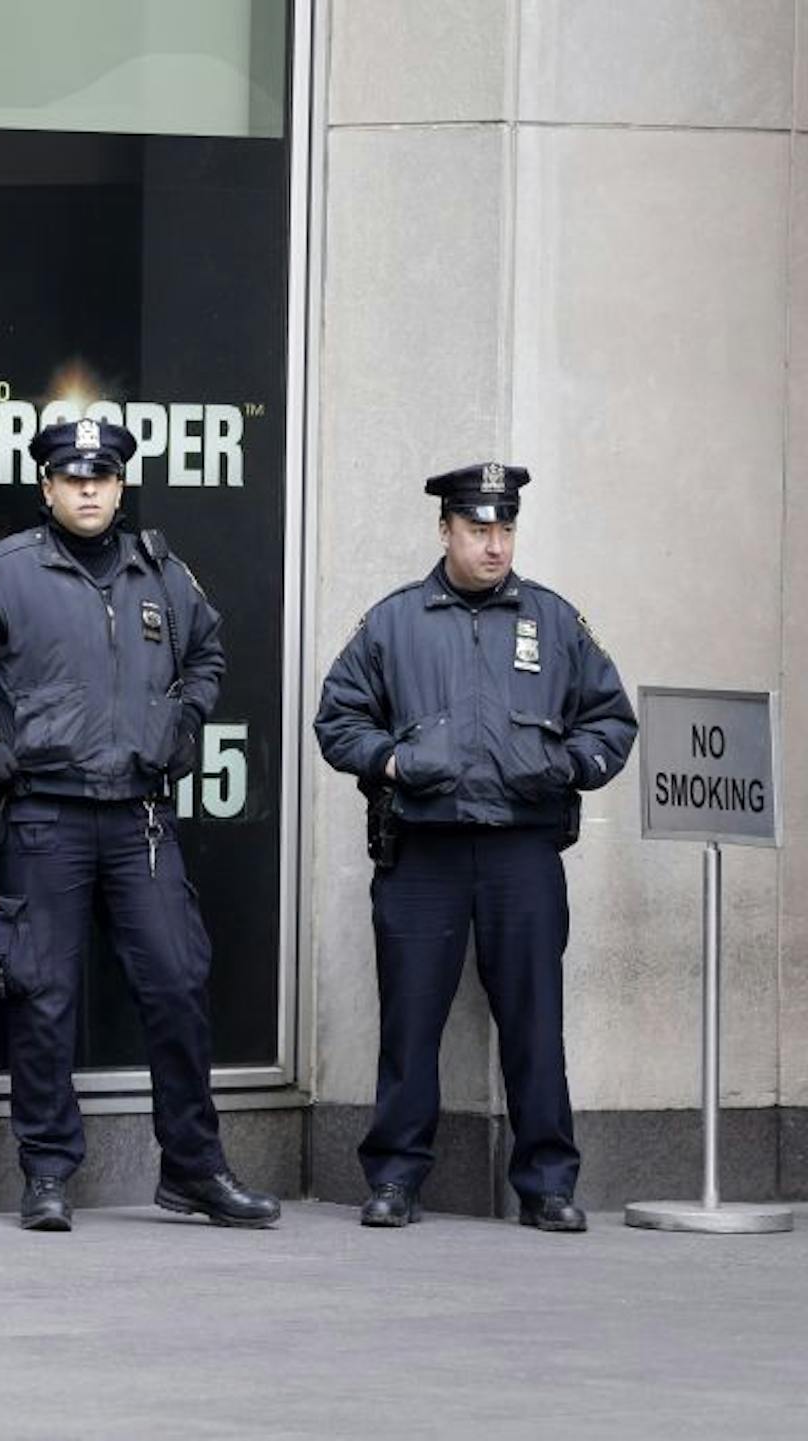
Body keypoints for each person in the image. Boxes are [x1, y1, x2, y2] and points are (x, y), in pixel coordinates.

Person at [0, 417, 280, 1232]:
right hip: (45, 816)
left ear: (119, 484)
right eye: (73, 479)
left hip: (140, 818)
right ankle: (47, 1173)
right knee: (43, 997)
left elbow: (208, 652)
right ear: (47, 487)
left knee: (177, 983)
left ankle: (194, 1167)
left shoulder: (161, 572)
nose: (89, 490)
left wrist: (184, 720)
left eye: (102, 477)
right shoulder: (2, 572)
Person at [314, 461, 636, 1233]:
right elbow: (338, 720)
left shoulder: (555, 621)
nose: (495, 545)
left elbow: (611, 722)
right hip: (422, 852)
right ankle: (394, 1179)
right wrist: (391, 761)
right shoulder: (395, 622)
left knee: (534, 1021)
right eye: (479, 529)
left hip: (522, 854)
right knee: (410, 1021)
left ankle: (548, 1184)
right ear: (445, 530)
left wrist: (567, 766)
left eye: (506, 529)